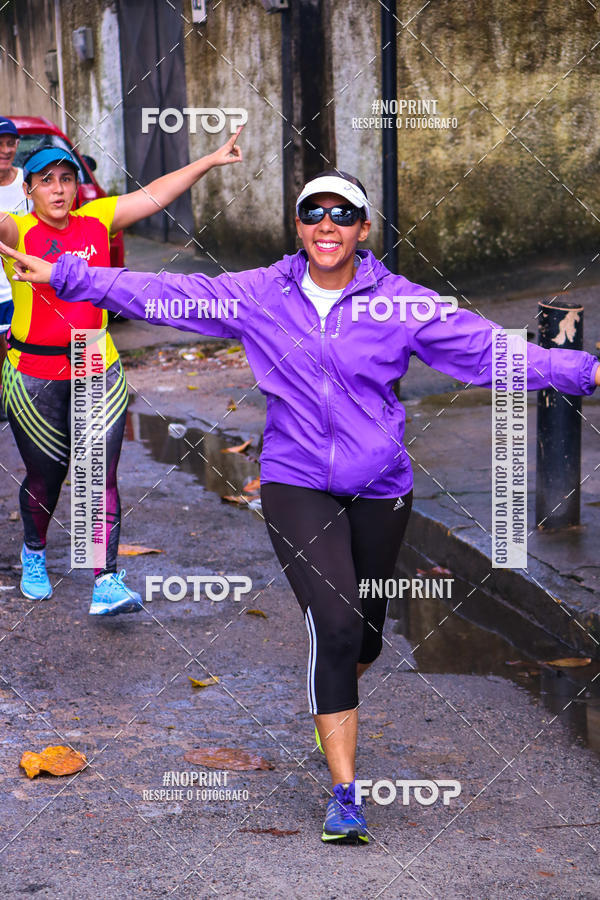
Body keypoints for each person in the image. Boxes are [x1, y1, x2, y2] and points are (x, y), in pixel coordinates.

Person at [2, 169, 598, 843]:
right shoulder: (262, 292)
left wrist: (587, 371)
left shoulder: (400, 303)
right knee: (336, 625)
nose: (327, 224)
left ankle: (333, 696)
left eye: (343, 214)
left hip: (381, 486)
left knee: (366, 635)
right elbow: (169, 294)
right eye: (313, 212)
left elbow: (487, 352)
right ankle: (345, 795)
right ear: (299, 225)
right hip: (295, 480)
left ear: (363, 229)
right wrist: (70, 276)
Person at [0, 131, 242, 614]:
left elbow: (156, 194)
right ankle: (34, 551)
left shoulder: (97, 220)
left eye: (66, 178)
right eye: (46, 180)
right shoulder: (16, 230)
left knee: (98, 473)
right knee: (46, 476)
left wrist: (209, 161)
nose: (58, 189)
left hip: (94, 360)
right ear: (28, 190)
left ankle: (105, 579)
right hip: (32, 369)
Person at [0, 117, 30, 413]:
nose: (6, 150)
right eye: (0, 144)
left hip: (23, 285)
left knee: (21, 349)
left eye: (11, 143)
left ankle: (21, 400)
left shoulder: (27, 182)